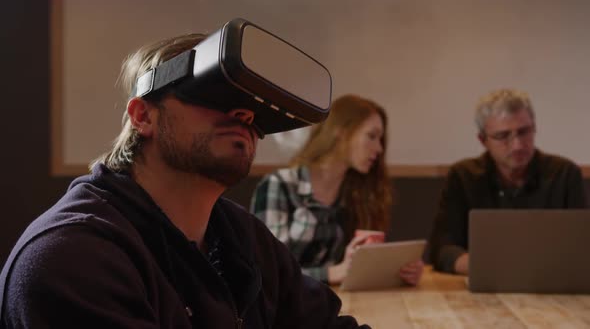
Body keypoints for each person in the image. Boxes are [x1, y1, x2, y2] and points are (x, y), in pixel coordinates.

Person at [0, 33, 370, 328]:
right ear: (143, 115)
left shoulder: (244, 238)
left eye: (252, 106)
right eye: (215, 93)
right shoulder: (74, 257)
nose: (243, 114)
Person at [251, 94, 424, 286]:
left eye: (380, 139)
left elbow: (357, 268)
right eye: (372, 136)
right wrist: (330, 274)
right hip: (284, 312)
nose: (379, 148)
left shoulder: (357, 193)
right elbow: (266, 272)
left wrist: (400, 271)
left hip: (337, 305)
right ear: (341, 132)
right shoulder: (280, 185)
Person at [429, 88, 587, 275]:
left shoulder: (564, 174)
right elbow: (442, 249)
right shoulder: (463, 177)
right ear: (483, 140)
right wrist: (493, 268)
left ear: (535, 128)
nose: (517, 144)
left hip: (551, 285)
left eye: (524, 132)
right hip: (484, 284)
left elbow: (582, 248)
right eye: (503, 136)